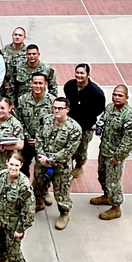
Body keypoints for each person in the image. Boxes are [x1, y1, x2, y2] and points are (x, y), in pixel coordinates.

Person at [91, 85, 132, 220]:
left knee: (113, 181)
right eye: (115, 94)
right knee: (102, 176)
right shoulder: (110, 107)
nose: (116, 97)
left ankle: (116, 207)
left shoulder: (129, 116)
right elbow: (103, 119)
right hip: (104, 149)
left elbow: (129, 141)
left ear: (126, 98)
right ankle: (107, 196)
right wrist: (99, 126)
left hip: (114, 156)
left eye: (120, 95)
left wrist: (118, 157)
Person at [34, 97, 82, 230]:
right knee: (38, 184)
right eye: (54, 107)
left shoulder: (74, 128)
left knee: (61, 192)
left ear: (67, 109)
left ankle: (64, 213)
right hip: (42, 162)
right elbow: (39, 138)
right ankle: (39, 202)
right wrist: (42, 156)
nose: (56, 110)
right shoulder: (47, 120)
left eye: (60, 108)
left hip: (61, 167)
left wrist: (50, 160)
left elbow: (68, 151)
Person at [63, 63, 106, 178]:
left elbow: (100, 108)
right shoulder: (69, 86)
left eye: (82, 73)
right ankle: (68, 165)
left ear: (88, 74)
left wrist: (88, 118)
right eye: (77, 72)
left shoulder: (96, 93)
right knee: (67, 144)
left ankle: (79, 166)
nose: (79, 75)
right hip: (70, 123)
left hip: (86, 126)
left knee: (81, 148)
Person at [17, 72, 55, 178]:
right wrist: (27, 137)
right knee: (22, 167)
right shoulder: (22, 100)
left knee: (42, 171)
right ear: (31, 84)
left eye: (40, 83)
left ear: (46, 84)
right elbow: (18, 120)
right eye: (35, 83)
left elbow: (53, 123)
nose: (37, 86)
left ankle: (41, 192)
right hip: (26, 141)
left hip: (44, 142)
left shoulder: (52, 102)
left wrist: (39, 139)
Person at [0, 26, 27, 99]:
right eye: (15, 34)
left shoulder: (28, 52)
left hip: (21, 87)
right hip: (5, 87)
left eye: (20, 35)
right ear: (12, 36)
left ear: (24, 37)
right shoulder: (3, 51)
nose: (17, 37)